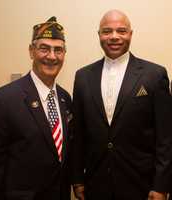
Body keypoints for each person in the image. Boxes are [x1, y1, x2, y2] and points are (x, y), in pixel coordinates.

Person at [71, 9, 172, 200]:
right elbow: (79, 134)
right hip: (96, 183)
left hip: (142, 185)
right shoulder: (82, 77)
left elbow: (165, 138)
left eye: (121, 31)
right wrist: (77, 179)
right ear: (99, 35)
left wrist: (161, 186)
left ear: (131, 34)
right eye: (107, 31)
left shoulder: (155, 75)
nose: (114, 37)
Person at [0, 16, 72, 200]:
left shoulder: (65, 98)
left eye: (58, 50)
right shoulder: (2, 100)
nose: (51, 56)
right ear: (31, 51)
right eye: (44, 48)